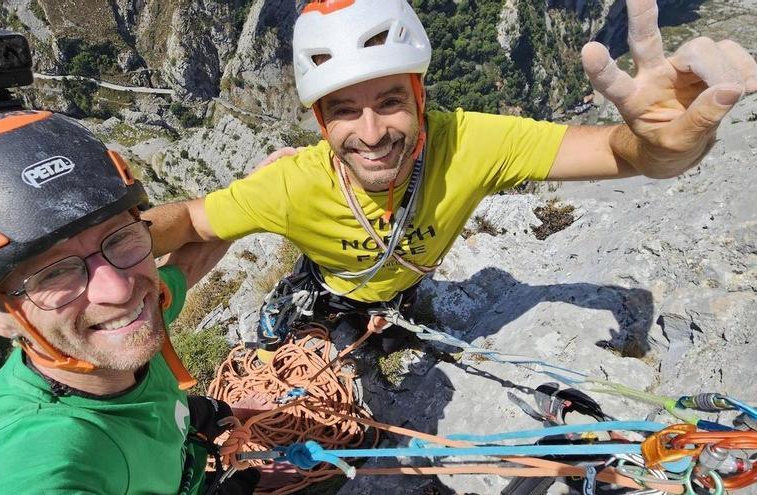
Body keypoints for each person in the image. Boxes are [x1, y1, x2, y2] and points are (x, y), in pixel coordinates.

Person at [144, 0, 757, 348]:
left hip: (410, 289)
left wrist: (665, 146)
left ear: (420, 96)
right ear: (320, 122)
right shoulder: (290, 184)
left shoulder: (469, 141)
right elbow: (194, 218)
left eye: (389, 101)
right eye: (343, 110)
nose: (372, 132)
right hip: (327, 297)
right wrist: (108, 240)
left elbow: (624, 154)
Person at [0, 110, 260, 494]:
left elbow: (191, 250)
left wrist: (259, 191)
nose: (119, 291)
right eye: (54, 273)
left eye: (120, 238)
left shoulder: (132, 317)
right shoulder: (39, 457)